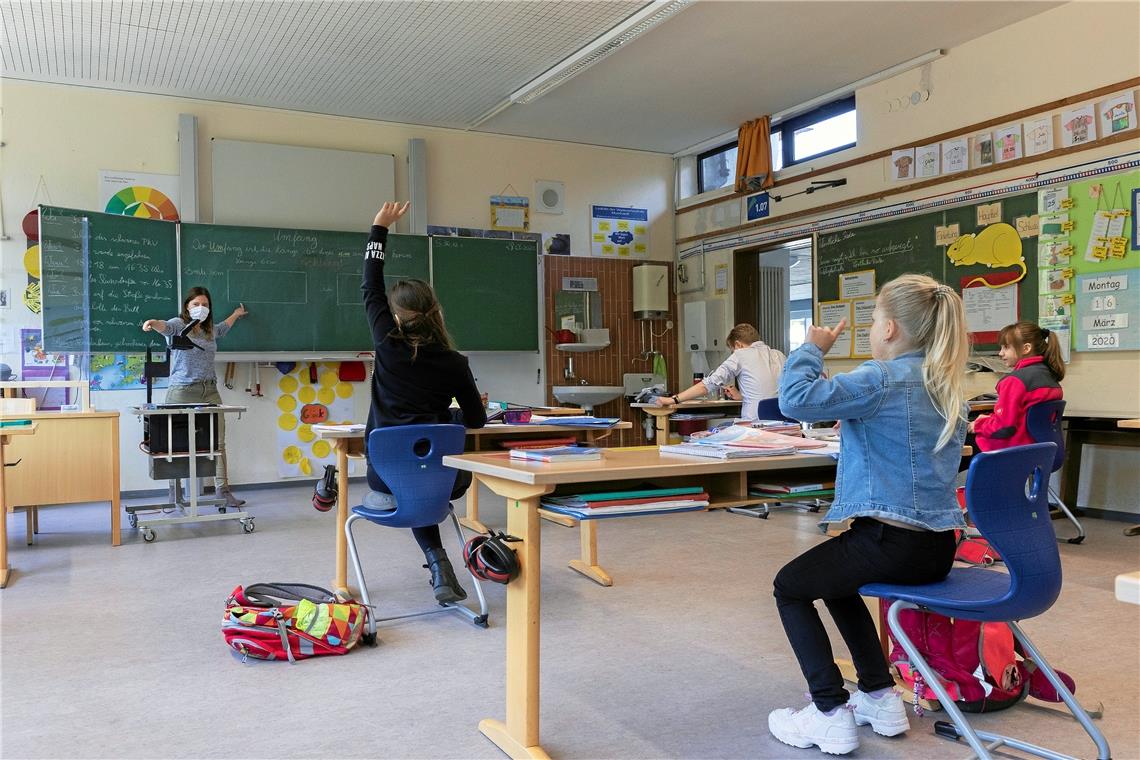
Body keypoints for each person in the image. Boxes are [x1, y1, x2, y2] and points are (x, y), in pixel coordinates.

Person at [767, 274, 969, 755]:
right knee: (834, 581)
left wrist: (811, 349)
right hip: (936, 546)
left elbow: (793, 402)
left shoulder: (882, 377)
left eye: (876, 319)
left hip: (889, 542)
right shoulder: (943, 383)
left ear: (891, 328)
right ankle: (879, 695)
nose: (873, 329)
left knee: (789, 587)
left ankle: (828, 711)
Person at [361, 201, 486, 604]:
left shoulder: (386, 343)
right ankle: (439, 564)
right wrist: (446, 416)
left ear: (395, 318)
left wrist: (379, 229)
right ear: (434, 312)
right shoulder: (455, 362)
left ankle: (438, 563)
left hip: (385, 477)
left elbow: (370, 284)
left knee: (405, 480)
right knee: (424, 480)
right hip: (444, 479)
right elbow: (477, 421)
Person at [142, 288, 248, 507]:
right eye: (195, 304)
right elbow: (165, 327)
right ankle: (175, 493)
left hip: (209, 390)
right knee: (175, 443)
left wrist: (236, 315)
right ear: (187, 307)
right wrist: (153, 322)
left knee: (217, 442)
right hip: (182, 390)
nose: (201, 308)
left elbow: (223, 328)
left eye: (205, 304)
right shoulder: (179, 325)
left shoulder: (210, 330)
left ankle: (223, 490)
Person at [654, 323, 785, 420]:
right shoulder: (779, 355)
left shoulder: (741, 355)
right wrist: (742, 397)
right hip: (786, 424)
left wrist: (672, 400)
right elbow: (771, 393)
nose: (734, 353)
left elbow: (706, 386)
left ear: (738, 345)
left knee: (712, 433)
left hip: (756, 426)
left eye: (732, 350)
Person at [969, 320, 1064, 452]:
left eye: (1006, 347)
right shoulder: (1050, 377)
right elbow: (1022, 418)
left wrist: (978, 425)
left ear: (1026, 348)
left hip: (1011, 451)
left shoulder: (1015, 381)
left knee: (958, 440)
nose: (1000, 353)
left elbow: (1004, 428)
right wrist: (989, 419)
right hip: (1038, 449)